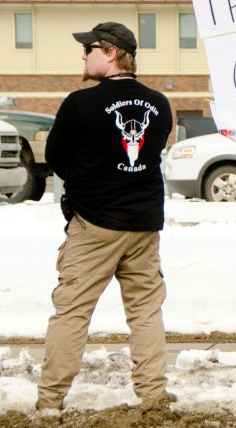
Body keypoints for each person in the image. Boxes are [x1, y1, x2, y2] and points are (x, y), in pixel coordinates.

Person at [37, 22, 173, 411]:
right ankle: (153, 395)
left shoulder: (80, 104)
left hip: (94, 224)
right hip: (144, 223)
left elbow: (57, 160)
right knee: (146, 310)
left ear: (111, 53)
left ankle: (49, 403)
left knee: (72, 311)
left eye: (90, 48)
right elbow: (154, 148)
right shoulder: (160, 103)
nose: (83, 54)